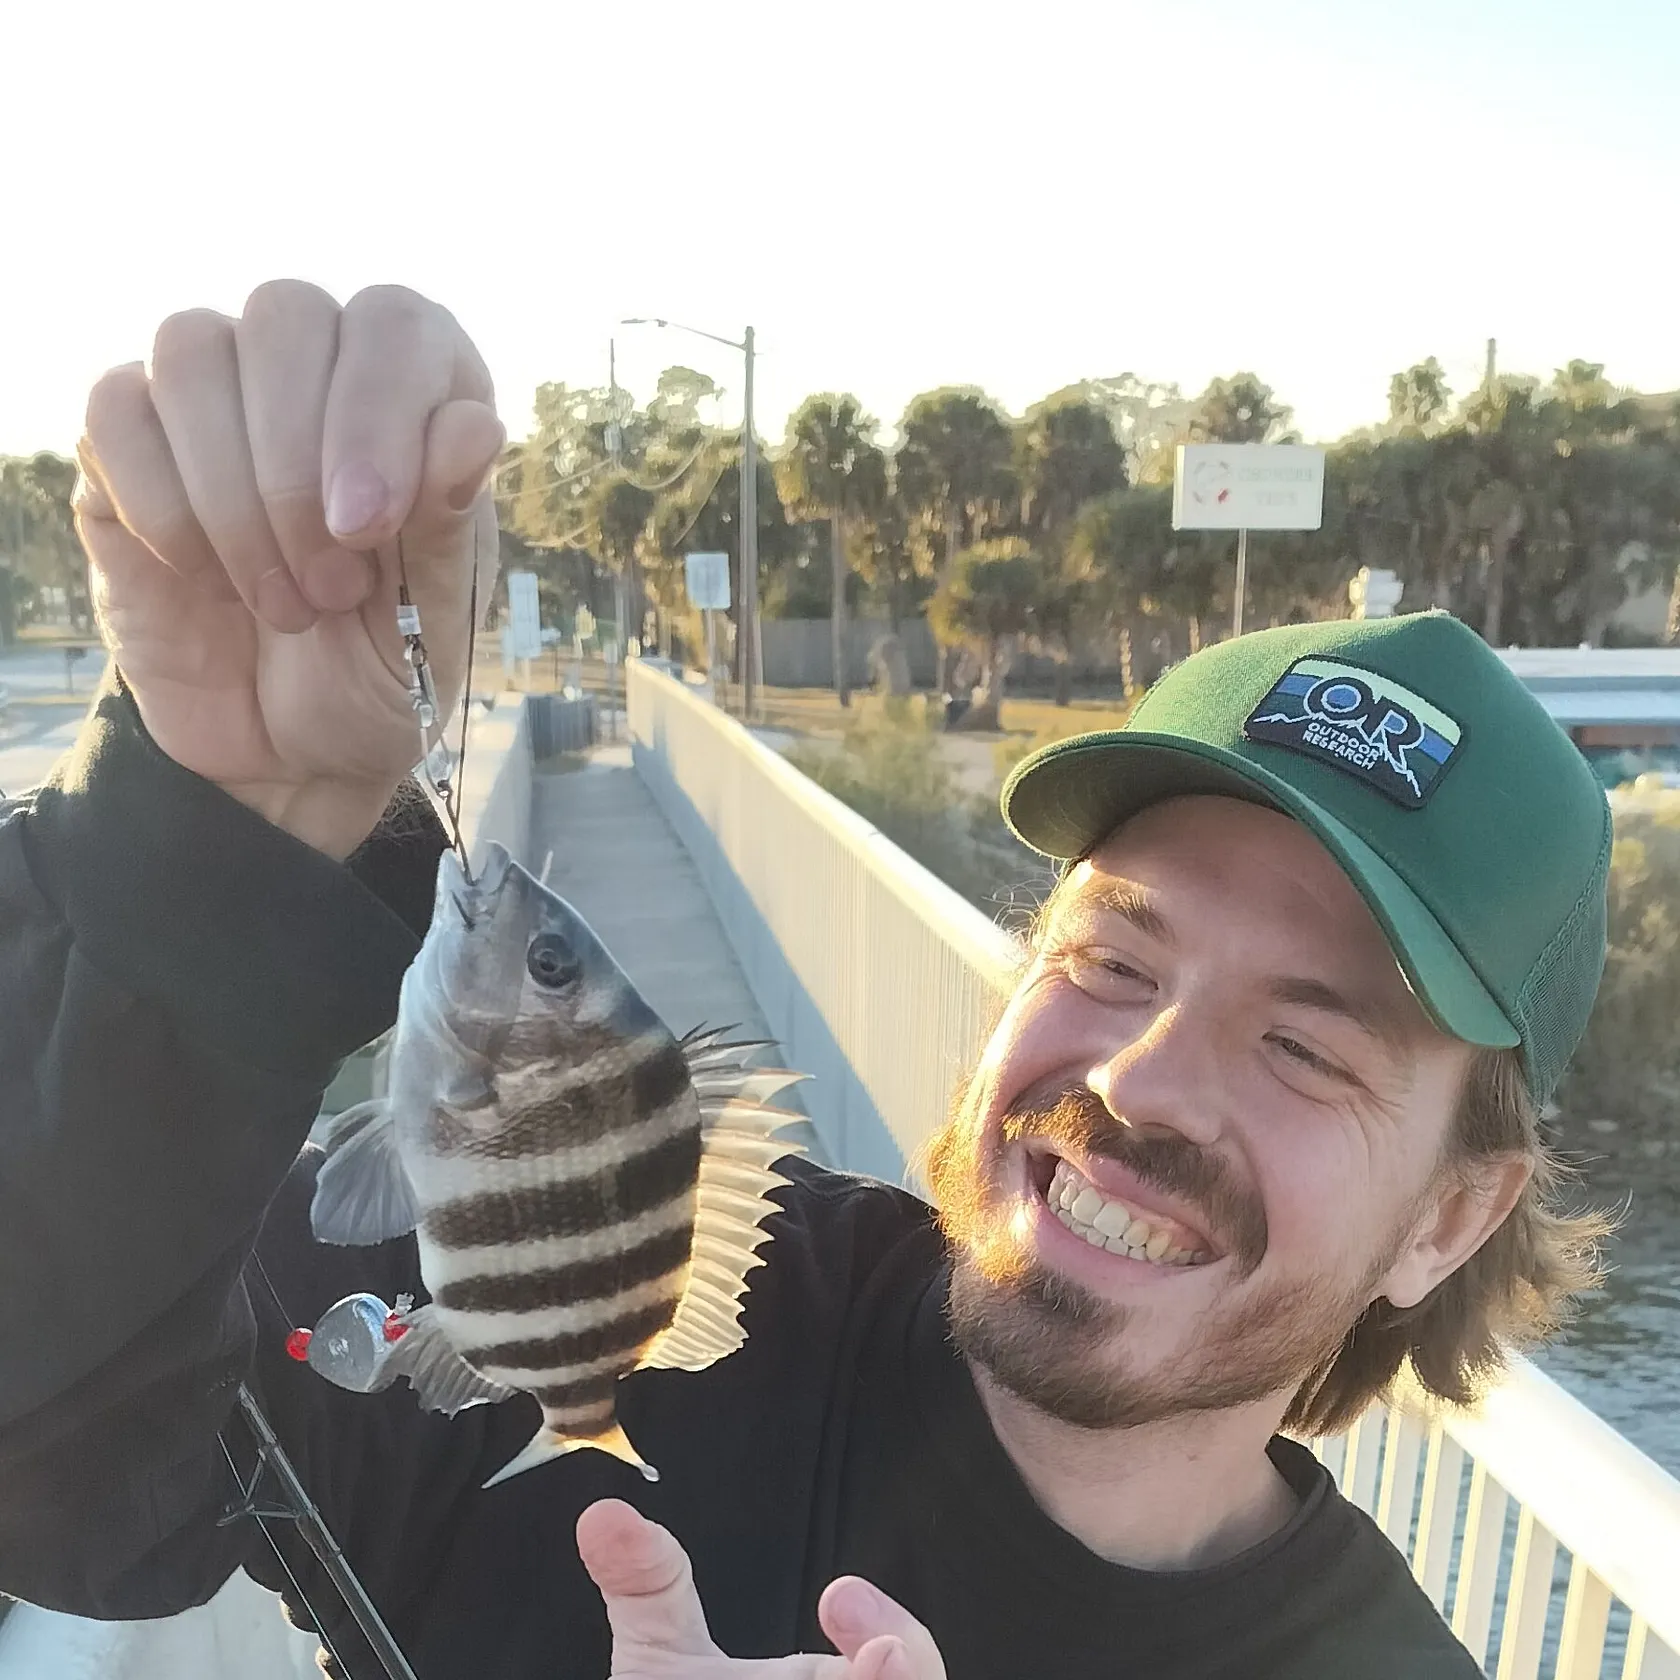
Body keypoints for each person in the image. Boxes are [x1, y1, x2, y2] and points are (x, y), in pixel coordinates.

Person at [0, 282, 1613, 1680]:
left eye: (1308, 1049)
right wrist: (201, 850)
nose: (1143, 1081)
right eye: (1117, 955)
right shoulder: (635, 1291)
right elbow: (60, 1457)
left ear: (1453, 1218)